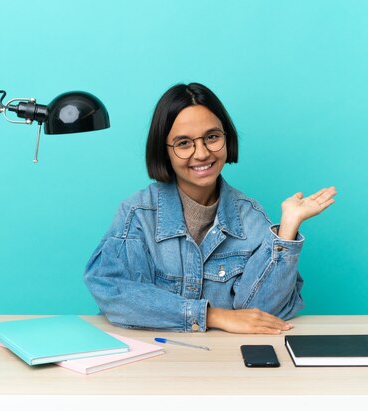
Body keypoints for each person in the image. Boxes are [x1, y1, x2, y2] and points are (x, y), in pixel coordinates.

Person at [83, 82, 336, 334]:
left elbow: (261, 314)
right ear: (164, 151)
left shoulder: (250, 217)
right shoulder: (138, 214)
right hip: (150, 361)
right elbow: (112, 290)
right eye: (183, 143)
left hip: (222, 362)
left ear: (227, 137)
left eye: (212, 137)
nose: (202, 153)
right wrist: (211, 316)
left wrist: (288, 228)